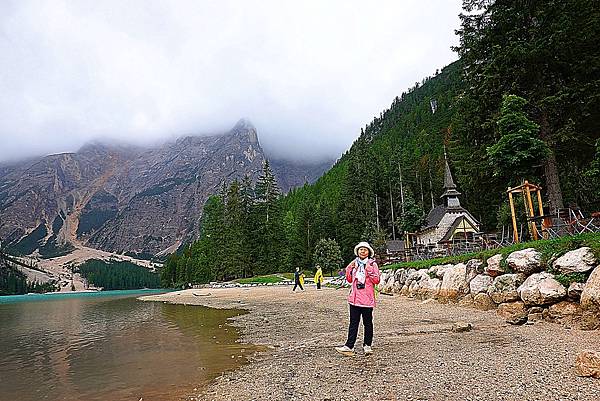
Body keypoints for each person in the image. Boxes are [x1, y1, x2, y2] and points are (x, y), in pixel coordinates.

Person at [335, 241, 380, 356]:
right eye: (360, 249)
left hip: (367, 299)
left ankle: (367, 345)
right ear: (357, 251)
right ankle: (349, 346)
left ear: (369, 252)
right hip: (354, 298)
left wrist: (368, 269)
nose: (363, 251)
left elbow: (377, 280)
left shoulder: (372, 264)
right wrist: (349, 268)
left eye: (365, 249)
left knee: (368, 323)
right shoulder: (354, 263)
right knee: (353, 323)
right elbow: (349, 280)